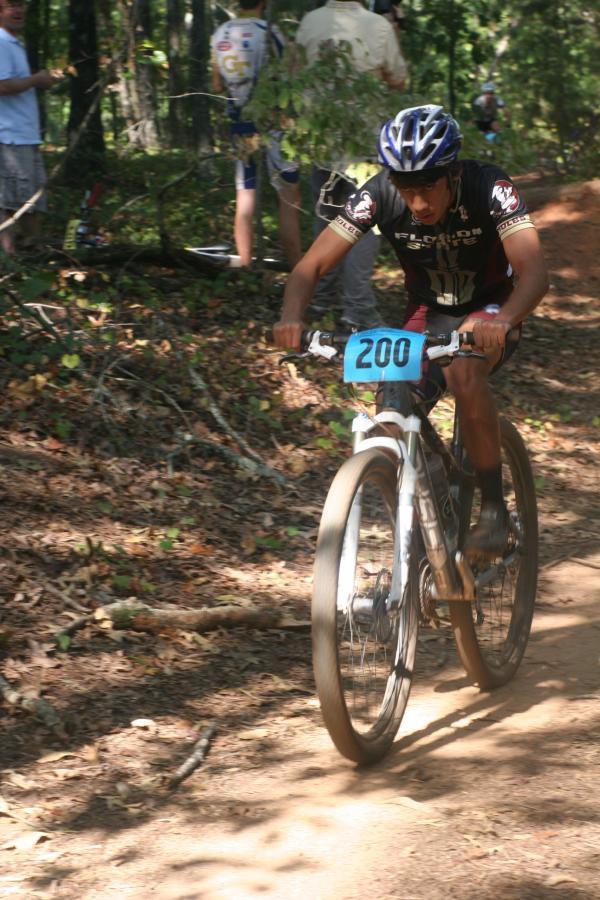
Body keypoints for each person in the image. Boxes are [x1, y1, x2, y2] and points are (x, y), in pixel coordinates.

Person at [274, 104, 549, 559]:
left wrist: (504, 320)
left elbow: (534, 273)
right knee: (390, 410)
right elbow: (311, 265)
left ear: (453, 173)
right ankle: (429, 523)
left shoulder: (490, 187)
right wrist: (291, 316)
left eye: (428, 187)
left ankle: (495, 512)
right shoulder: (379, 194)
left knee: (464, 374)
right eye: (406, 187)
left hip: (490, 308)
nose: (417, 202)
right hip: (427, 315)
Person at [295, 0, 407, 329]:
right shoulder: (378, 26)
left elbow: (294, 75)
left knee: (326, 216)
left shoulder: (309, 22)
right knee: (366, 222)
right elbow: (398, 80)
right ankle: (357, 307)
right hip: (366, 144)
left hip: (323, 139)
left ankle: (321, 297)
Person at [211, 0, 302, 270]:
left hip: (240, 122)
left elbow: (216, 84)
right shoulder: (269, 31)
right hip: (275, 122)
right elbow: (291, 75)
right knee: (289, 197)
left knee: (245, 194)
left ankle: (247, 265)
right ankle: (298, 268)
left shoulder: (220, 34)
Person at [0, 0, 63, 255]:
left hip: (24, 137)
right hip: (9, 137)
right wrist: (36, 80)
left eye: (21, 5)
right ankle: (9, 261)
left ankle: (34, 254)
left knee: (31, 201)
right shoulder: (2, 43)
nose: (18, 11)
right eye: (10, 6)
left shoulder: (13, 43)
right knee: (7, 200)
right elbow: (2, 85)